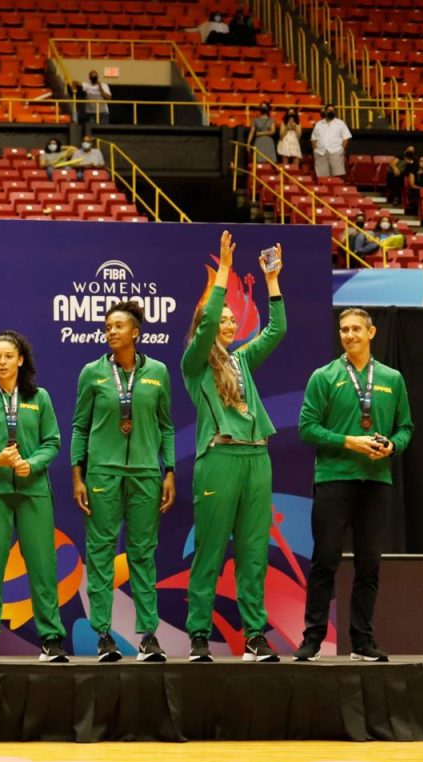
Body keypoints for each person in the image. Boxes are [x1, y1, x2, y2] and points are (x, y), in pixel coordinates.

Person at [181, 232, 286, 663]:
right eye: (218, 318)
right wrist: (223, 271)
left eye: (229, 319)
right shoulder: (194, 362)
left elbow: (276, 330)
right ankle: (199, 636)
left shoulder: (241, 359)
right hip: (219, 457)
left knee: (253, 551)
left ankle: (255, 636)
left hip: (256, 456)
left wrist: (272, 280)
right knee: (209, 549)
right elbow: (204, 328)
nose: (226, 322)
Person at [295, 309, 414, 663]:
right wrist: (351, 442)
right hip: (333, 479)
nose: (349, 335)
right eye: (344, 329)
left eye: (356, 329)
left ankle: (362, 641)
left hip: (377, 482)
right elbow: (306, 428)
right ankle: (312, 639)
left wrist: (392, 446)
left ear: (371, 332)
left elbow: (405, 427)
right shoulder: (325, 376)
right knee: (325, 560)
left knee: (368, 564)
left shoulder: (392, 378)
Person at [70, 301, 176, 663]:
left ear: (136, 332)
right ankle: (103, 636)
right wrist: (77, 474)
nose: (111, 331)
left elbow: (166, 426)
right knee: (100, 555)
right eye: (107, 327)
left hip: (146, 474)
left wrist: (170, 470)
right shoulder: (92, 373)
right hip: (103, 474)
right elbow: (79, 426)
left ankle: (148, 636)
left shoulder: (158, 372)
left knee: (143, 554)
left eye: (118, 326)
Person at [0, 330, 65, 664]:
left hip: (33, 491)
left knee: (43, 567)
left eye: (8, 356)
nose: (2, 362)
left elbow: (53, 442)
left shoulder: (40, 398)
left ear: (20, 359)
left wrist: (31, 464)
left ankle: (51, 640)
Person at [310, 106, 351, 178]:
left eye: (332, 110)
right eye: (329, 110)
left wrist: (341, 150)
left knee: (337, 176)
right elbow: (313, 139)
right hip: (320, 153)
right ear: (325, 111)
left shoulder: (340, 123)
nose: (331, 112)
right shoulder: (318, 124)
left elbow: (346, 138)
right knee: (322, 177)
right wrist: (315, 150)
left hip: (336, 152)